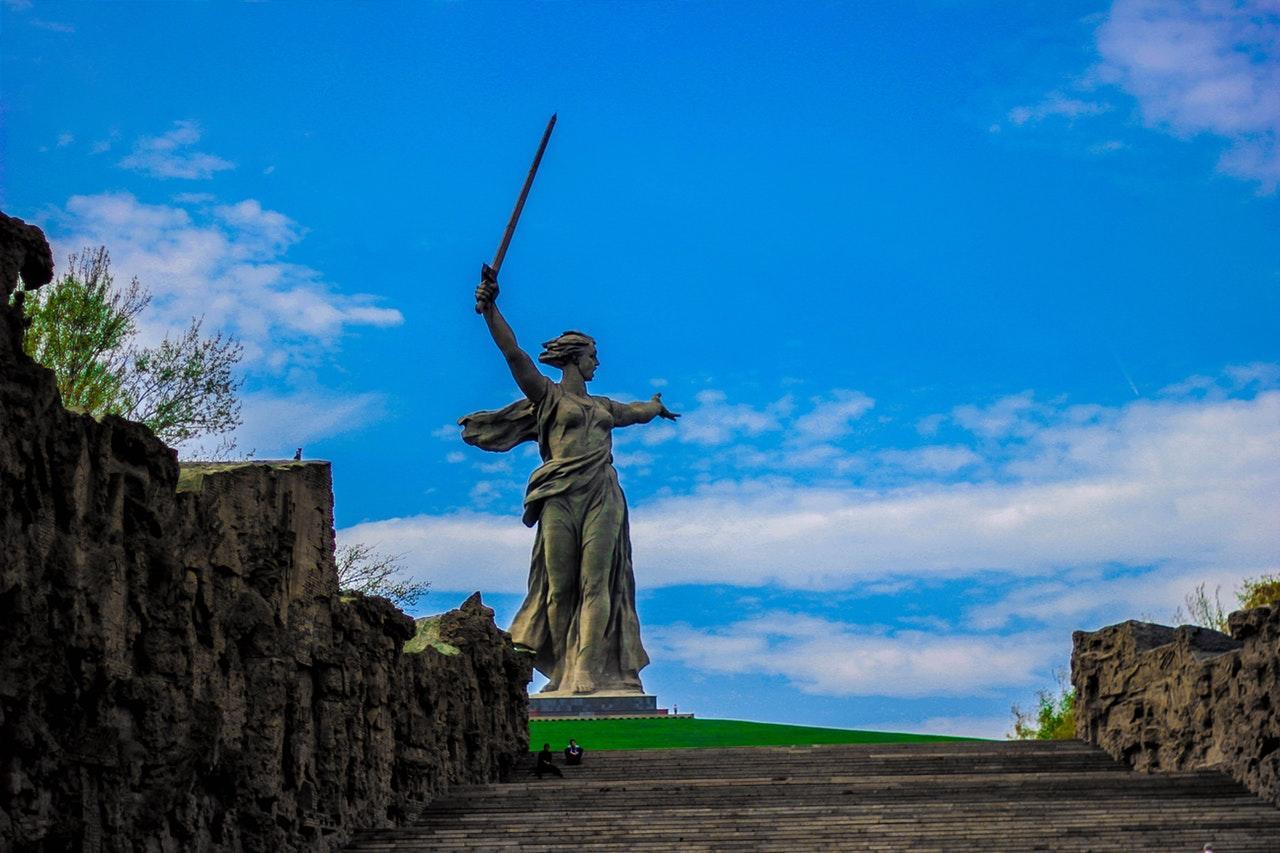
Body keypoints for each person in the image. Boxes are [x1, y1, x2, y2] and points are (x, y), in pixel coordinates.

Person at [462, 273, 679, 695]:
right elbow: (513, 354)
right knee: (560, 589)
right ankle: (562, 669)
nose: (598, 363)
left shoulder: (604, 406)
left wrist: (656, 406)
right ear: (575, 358)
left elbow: (638, 411)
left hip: (602, 493)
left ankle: (587, 669)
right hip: (558, 494)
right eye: (593, 356)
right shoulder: (547, 396)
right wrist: (491, 310)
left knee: (597, 582)